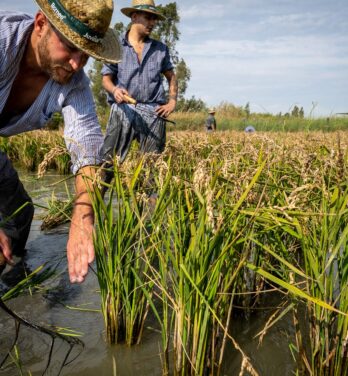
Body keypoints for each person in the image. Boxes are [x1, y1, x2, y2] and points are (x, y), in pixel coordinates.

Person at [0, 0, 121, 283]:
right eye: (70, 47)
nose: (77, 64)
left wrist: (82, 215)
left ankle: (9, 283)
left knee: (20, 213)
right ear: (41, 25)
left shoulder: (74, 82)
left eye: (86, 55)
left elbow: (87, 146)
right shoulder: (3, 43)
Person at [100, 0, 178, 169]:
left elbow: (171, 76)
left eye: (154, 19)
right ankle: (98, 194)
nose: (153, 23)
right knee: (108, 164)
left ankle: (147, 196)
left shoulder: (160, 49)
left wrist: (172, 102)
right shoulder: (117, 46)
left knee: (151, 169)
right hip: (124, 110)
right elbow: (106, 79)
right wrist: (115, 90)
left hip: (153, 112)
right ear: (134, 17)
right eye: (148, 17)